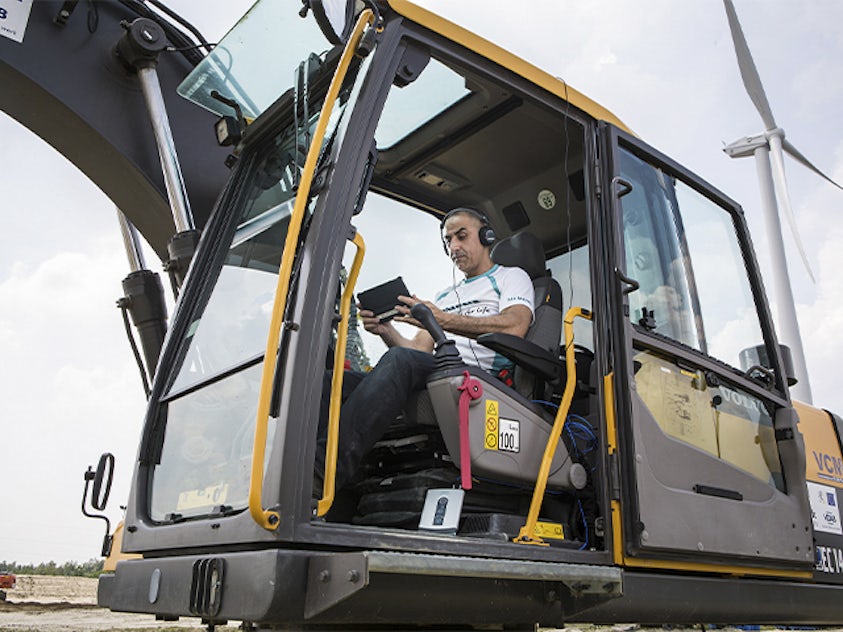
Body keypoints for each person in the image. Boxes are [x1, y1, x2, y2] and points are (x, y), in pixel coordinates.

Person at [315, 208, 534, 491]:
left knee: (400, 361)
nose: (454, 247)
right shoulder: (444, 296)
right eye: (448, 241)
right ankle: (314, 470)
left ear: (485, 236)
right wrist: (386, 331)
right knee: (329, 382)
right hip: (438, 375)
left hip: (480, 382)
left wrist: (443, 320)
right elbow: (416, 351)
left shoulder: (510, 277)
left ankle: (320, 475)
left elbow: (515, 325)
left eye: (461, 236)